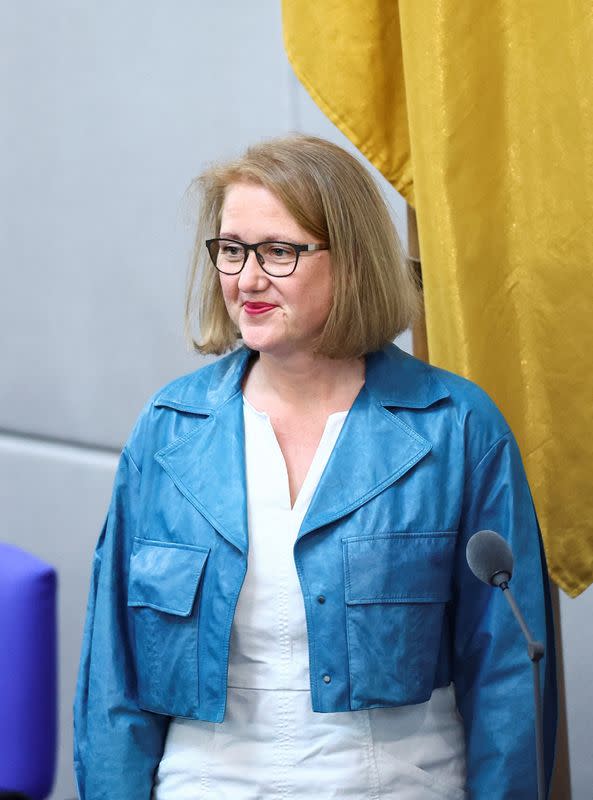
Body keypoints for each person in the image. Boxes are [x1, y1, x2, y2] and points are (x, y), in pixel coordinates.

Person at [73, 134, 556, 799]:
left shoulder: (457, 426)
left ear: (352, 260)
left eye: (278, 251)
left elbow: (506, 673)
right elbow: (114, 678)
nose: (246, 278)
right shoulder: (168, 428)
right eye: (232, 250)